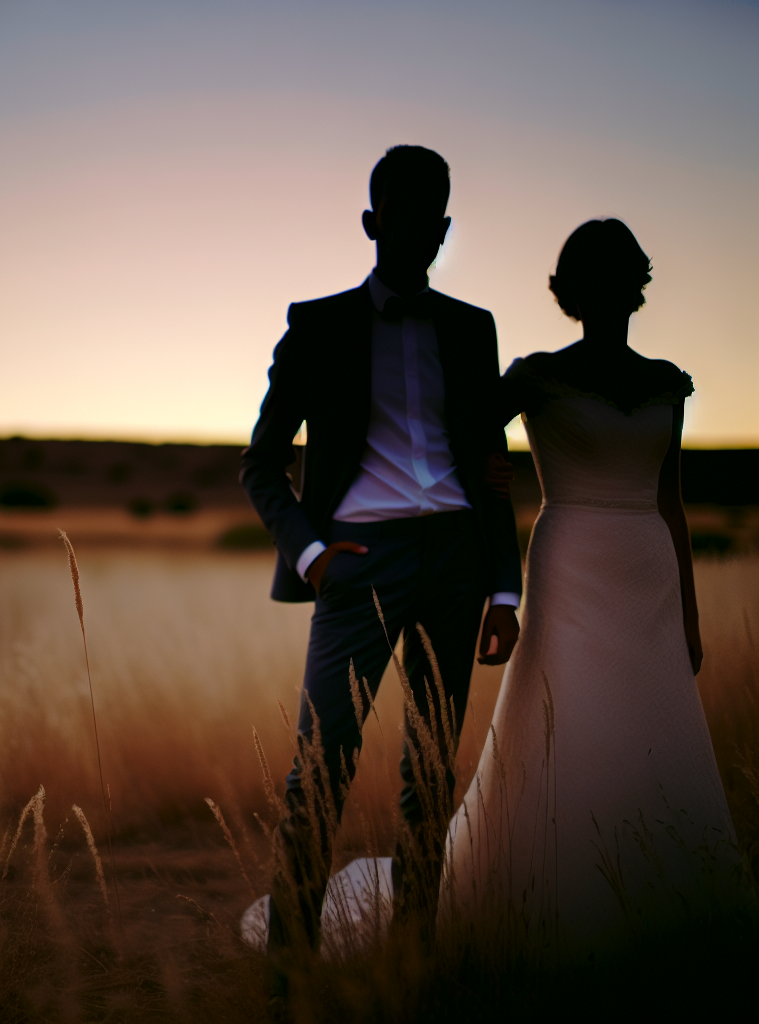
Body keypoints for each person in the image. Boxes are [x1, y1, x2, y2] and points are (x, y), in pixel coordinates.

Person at [239, 145, 523, 989]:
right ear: (373, 221)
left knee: (431, 773)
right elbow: (260, 463)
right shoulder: (317, 324)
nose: (419, 232)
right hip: (359, 563)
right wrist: (317, 556)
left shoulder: (474, 329)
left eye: (435, 217)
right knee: (319, 767)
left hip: (460, 559)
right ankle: (287, 977)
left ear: (445, 229)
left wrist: (505, 585)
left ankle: (415, 960)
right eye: (402, 213)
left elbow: (489, 459)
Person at [442, 218, 738, 959]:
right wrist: (491, 468)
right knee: (565, 718)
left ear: (637, 289)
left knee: (651, 723)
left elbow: (671, 503)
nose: (616, 296)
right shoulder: (537, 375)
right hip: (568, 558)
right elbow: (463, 434)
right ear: (575, 294)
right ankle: (553, 903)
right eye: (598, 283)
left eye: (625, 281)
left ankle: (655, 897)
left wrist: (691, 619)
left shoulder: (668, 382)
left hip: (650, 571)